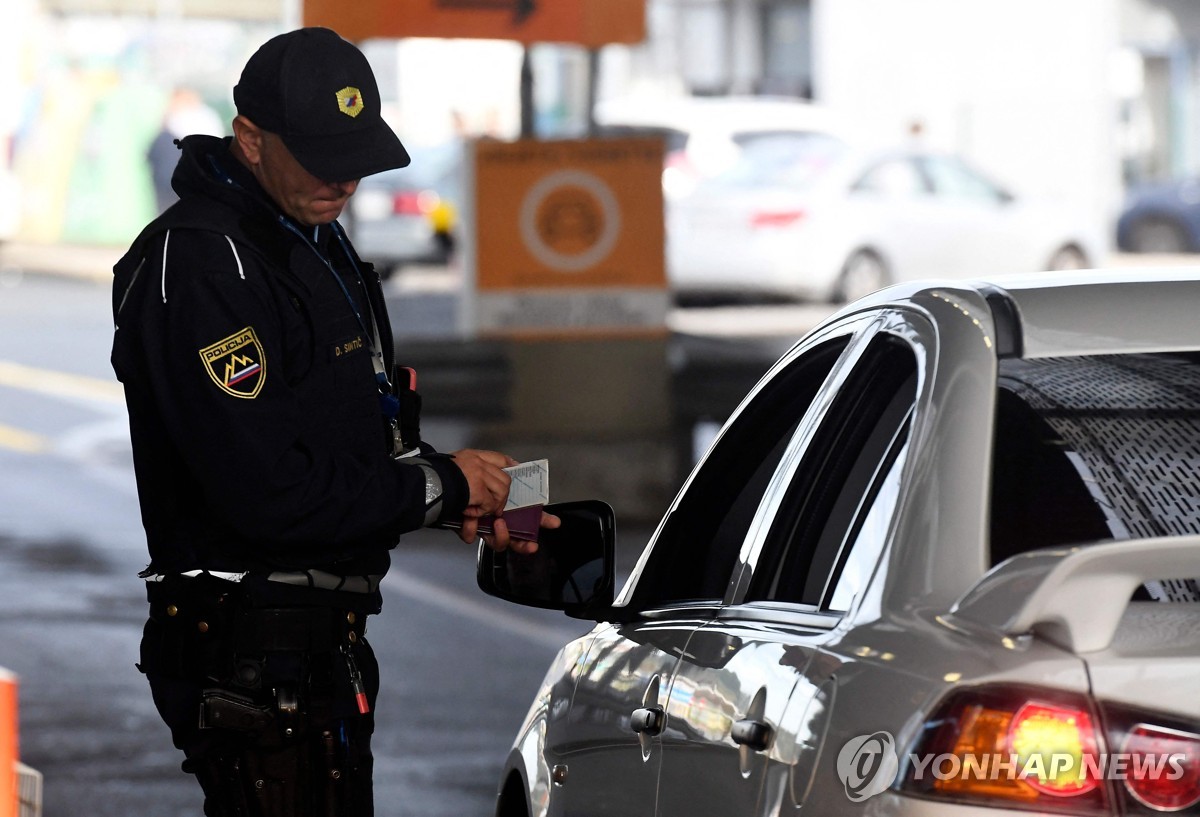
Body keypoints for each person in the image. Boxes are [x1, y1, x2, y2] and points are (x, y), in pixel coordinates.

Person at [110, 27, 554, 817]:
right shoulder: (209, 261)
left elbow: (353, 435)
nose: (343, 176)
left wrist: (462, 485)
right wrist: (437, 488)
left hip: (318, 646)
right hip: (248, 653)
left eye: (355, 153)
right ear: (250, 140)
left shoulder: (311, 239)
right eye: (318, 154)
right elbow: (270, 491)